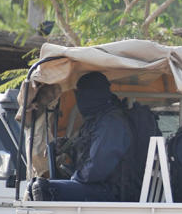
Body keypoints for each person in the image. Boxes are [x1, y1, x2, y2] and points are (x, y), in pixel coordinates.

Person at [31, 71, 133, 202]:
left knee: (42, 188)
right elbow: (86, 152)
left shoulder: (111, 123)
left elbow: (96, 169)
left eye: (81, 94)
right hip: (97, 186)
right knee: (37, 185)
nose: (79, 98)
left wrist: (73, 179)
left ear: (94, 94)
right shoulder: (96, 120)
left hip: (111, 191)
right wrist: (67, 147)